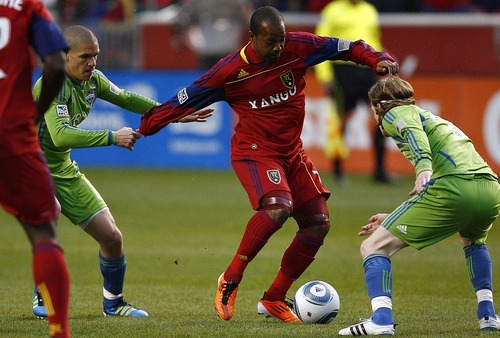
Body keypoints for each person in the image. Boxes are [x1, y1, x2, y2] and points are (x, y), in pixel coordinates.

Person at [138, 6, 399, 322]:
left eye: (281, 40)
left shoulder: (297, 47)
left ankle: (274, 298)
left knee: (318, 223)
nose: (278, 47)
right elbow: (185, 97)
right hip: (254, 152)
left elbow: (344, 47)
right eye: (271, 41)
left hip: (292, 152)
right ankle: (230, 278)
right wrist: (148, 124)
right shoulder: (229, 71)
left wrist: (376, 58)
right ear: (252, 37)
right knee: (278, 207)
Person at [32, 25, 213, 318]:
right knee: (48, 214)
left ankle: (113, 304)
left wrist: (175, 115)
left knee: (112, 237)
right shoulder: (52, 82)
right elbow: (60, 135)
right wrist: (112, 137)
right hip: (28, 166)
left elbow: (128, 98)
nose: (92, 63)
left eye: (96, 56)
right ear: (64, 56)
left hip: (61, 168)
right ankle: (42, 293)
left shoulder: (93, 80)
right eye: (85, 56)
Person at [338, 76, 500, 336]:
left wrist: (422, 169)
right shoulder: (431, 117)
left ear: (378, 105)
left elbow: (414, 136)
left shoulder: (394, 113)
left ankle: (381, 320)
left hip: (453, 188)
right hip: (489, 189)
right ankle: (488, 315)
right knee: (472, 241)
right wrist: (393, 217)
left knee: (373, 246)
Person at [0, 1, 71, 337]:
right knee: (42, 232)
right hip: (9, 130)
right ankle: (59, 331)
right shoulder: (26, 6)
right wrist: (33, 112)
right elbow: (56, 62)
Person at [315, 0, 391, 183]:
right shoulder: (332, 10)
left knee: (380, 116)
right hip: (342, 71)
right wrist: (324, 75)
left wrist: (379, 63)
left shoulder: (369, 10)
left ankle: (380, 171)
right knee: (341, 121)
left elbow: (375, 41)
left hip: (366, 71)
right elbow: (320, 44)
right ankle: (338, 170)